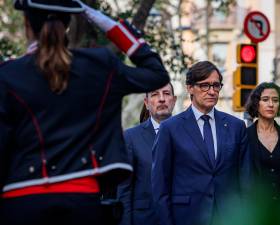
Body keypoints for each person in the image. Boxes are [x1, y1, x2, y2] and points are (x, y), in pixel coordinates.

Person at [0, 1, 169, 225]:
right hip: (82, 202)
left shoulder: (8, 74)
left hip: (21, 202)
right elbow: (156, 74)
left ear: (26, 25)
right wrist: (109, 25)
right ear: (69, 24)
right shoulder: (99, 65)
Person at [151, 61, 250, 225]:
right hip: (186, 217)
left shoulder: (236, 126)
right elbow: (160, 186)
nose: (211, 91)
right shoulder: (170, 128)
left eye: (216, 85)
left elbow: (246, 180)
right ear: (190, 88)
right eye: (204, 86)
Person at [118, 83, 176, 225]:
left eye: (166, 94)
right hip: (145, 219)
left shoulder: (188, 134)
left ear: (174, 100)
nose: (161, 99)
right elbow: (124, 191)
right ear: (147, 103)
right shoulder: (130, 137)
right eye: (155, 94)